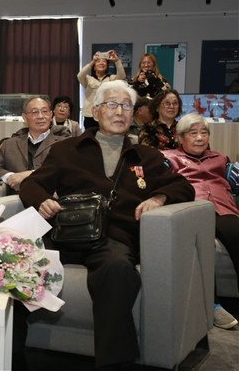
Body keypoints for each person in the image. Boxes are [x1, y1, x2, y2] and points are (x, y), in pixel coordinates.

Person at [18, 80, 194, 370]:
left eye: (126, 106)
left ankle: (115, 364)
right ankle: (10, 354)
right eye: (112, 104)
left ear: (134, 113)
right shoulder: (67, 150)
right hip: (66, 233)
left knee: (118, 269)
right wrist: (42, 200)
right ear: (96, 111)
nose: (119, 111)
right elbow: (32, 184)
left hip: (114, 239)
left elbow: (183, 186)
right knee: (17, 261)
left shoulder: (146, 156)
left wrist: (159, 197)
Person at [163, 113, 239, 329]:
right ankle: (212, 305)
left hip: (224, 208)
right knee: (202, 243)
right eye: (193, 133)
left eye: (204, 133)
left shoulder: (221, 158)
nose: (199, 138)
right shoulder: (168, 158)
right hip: (192, 209)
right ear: (180, 137)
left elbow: (236, 183)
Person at [0, 96, 72, 194]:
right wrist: (10, 177)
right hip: (16, 200)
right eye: (35, 112)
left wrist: (29, 174)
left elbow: (68, 170)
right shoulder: (10, 144)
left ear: (50, 115)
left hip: (52, 198)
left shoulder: (63, 143)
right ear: (25, 117)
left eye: (44, 111)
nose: (40, 116)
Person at [77, 50, 126, 130]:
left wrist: (116, 60)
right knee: (90, 136)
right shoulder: (88, 79)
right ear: (94, 66)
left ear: (107, 66)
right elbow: (80, 75)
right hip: (90, 115)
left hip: (106, 114)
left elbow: (122, 76)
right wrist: (93, 61)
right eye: (98, 61)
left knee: (105, 135)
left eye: (104, 61)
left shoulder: (111, 78)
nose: (101, 63)